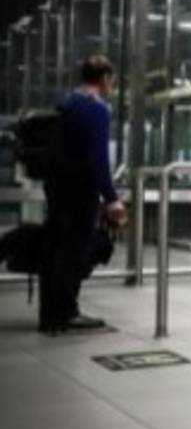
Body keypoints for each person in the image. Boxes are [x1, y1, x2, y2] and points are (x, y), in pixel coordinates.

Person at [39, 54, 125, 334]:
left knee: (57, 248)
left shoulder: (68, 102)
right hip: (80, 191)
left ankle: (51, 314)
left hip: (56, 187)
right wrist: (111, 198)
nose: (112, 86)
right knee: (75, 250)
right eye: (111, 80)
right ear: (104, 79)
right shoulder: (96, 108)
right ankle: (66, 313)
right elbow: (98, 158)